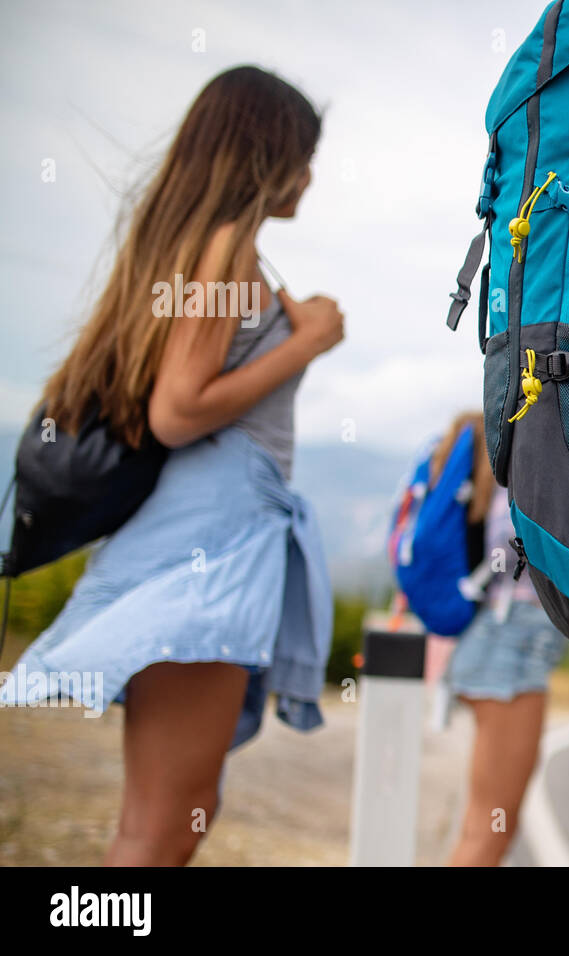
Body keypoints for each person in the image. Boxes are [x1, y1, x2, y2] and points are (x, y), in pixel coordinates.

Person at [11, 66, 344, 865]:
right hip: (215, 538)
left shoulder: (211, 249)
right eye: (303, 154)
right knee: (168, 821)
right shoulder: (228, 249)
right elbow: (178, 406)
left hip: (203, 526)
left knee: (160, 814)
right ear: (266, 155)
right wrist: (307, 342)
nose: (310, 175)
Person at [438, 413, 569, 867]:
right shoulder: (517, 482)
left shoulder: (495, 480)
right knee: (489, 829)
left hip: (497, 643)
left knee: (487, 824)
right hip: (508, 650)